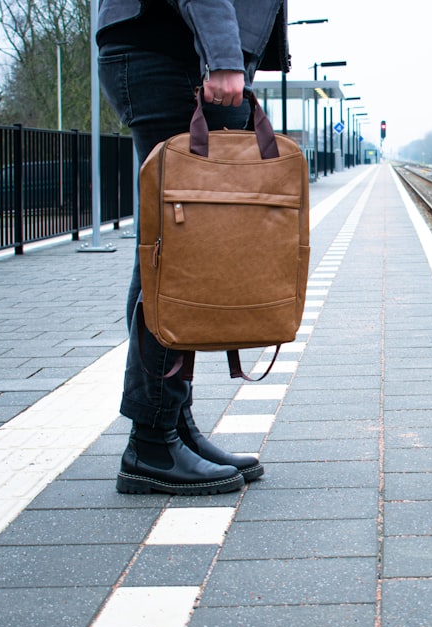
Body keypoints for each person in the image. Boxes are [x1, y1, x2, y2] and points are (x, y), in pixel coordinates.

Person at [96, 0, 288, 495]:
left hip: (170, 44)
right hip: (165, 47)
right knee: (169, 254)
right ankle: (152, 443)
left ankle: (174, 427)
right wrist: (224, 57)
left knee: (175, 247)